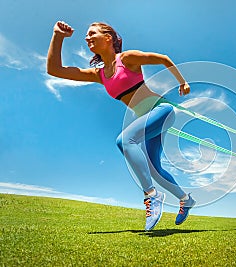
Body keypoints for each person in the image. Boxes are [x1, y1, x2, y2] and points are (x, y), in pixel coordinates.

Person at [47, 21, 195, 231]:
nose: (87, 38)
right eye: (86, 35)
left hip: (162, 110)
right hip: (147, 118)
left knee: (125, 140)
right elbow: (55, 70)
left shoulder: (127, 59)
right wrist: (58, 36)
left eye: (92, 33)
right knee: (154, 168)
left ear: (108, 37)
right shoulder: (98, 74)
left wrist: (183, 82)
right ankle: (185, 199)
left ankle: (151, 196)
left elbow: (163, 59)